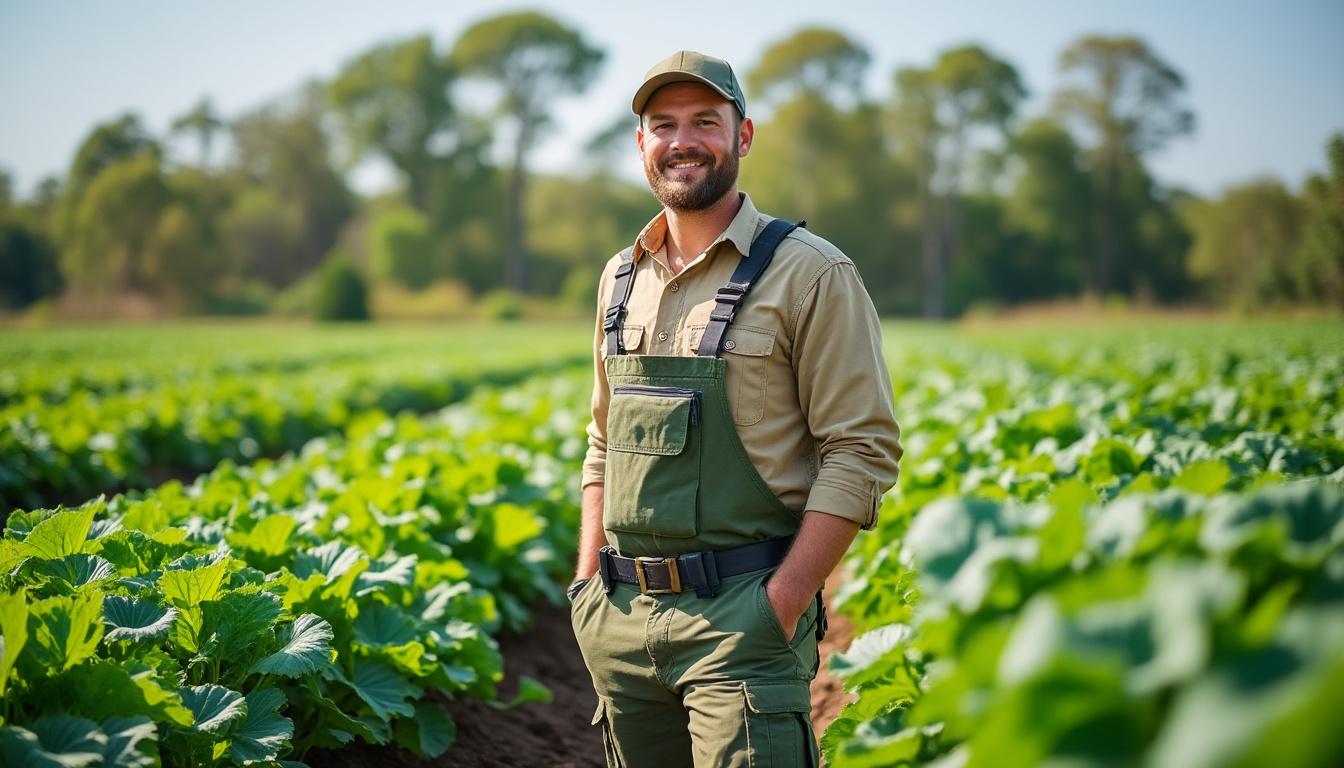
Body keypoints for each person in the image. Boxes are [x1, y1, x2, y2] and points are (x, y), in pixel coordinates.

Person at [568, 49, 902, 766]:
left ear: (742, 136)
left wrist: (778, 607)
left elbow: (862, 451)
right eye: (663, 124)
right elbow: (601, 441)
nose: (681, 140)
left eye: (704, 122)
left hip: (744, 615)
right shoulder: (620, 277)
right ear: (641, 144)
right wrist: (588, 584)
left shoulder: (811, 271)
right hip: (621, 622)